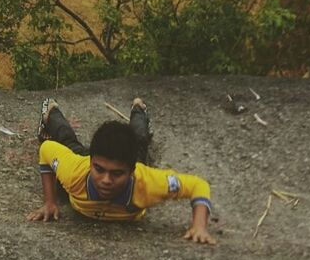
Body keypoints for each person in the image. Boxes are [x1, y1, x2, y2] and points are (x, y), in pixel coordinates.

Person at [26, 96, 216, 244]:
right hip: (83, 164)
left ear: (132, 170)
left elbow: (198, 186)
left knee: (140, 141)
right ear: (91, 162)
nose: (106, 180)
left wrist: (199, 226)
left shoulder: (147, 183)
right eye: (100, 170)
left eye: (116, 173)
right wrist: (50, 202)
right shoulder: (74, 171)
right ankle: (51, 111)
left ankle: (139, 109)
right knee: (67, 141)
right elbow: (46, 149)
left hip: (129, 166)